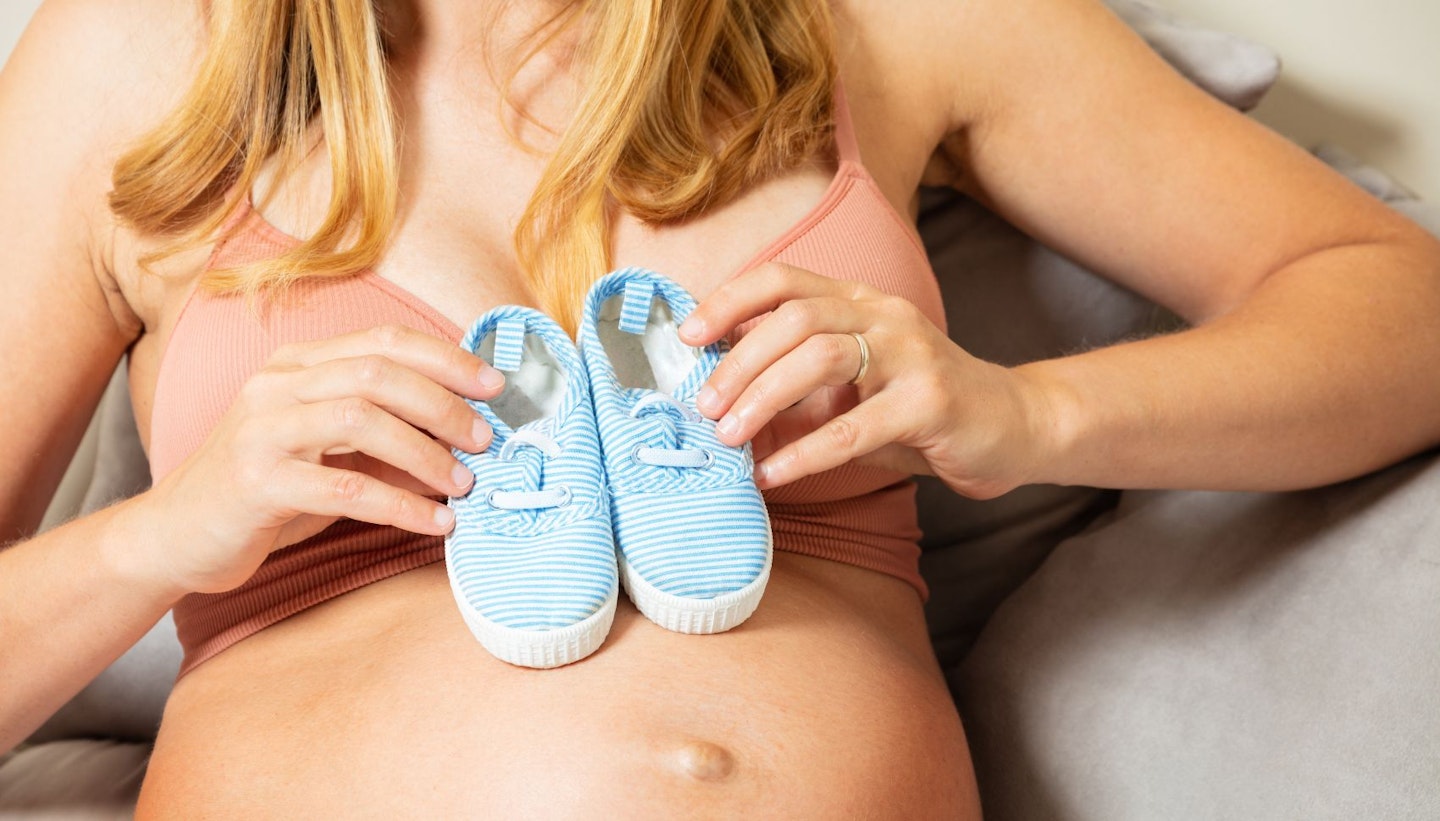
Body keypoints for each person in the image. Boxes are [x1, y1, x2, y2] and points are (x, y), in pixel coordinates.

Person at [2, 0, 1437, 815]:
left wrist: (1028, 415)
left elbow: (1404, 308)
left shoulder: (877, 14)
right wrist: (160, 537)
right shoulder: (138, 53)